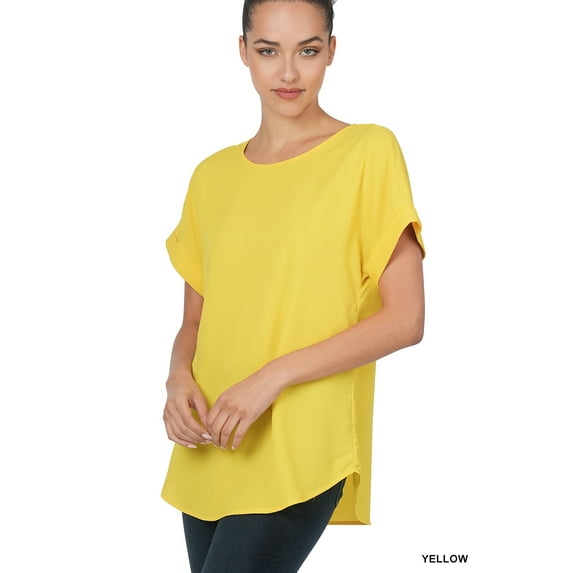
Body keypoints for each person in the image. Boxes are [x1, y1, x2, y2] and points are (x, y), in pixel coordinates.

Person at [162, 0, 425, 571]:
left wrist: (272, 377)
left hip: (300, 440)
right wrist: (177, 378)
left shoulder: (367, 152)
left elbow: (406, 320)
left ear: (331, 51)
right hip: (211, 438)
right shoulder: (211, 176)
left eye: (307, 50)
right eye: (268, 50)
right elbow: (195, 322)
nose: (288, 72)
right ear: (243, 52)